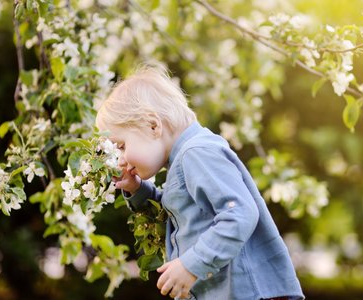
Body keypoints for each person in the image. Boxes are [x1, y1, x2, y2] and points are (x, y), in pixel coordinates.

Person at [95, 64, 305, 300]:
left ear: (153, 125)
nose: (120, 160)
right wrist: (137, 189)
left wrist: (191, 264)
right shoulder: (183, 160)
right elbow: (178, 211)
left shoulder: (196, 153)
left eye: (122, 146)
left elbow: (240, 213)